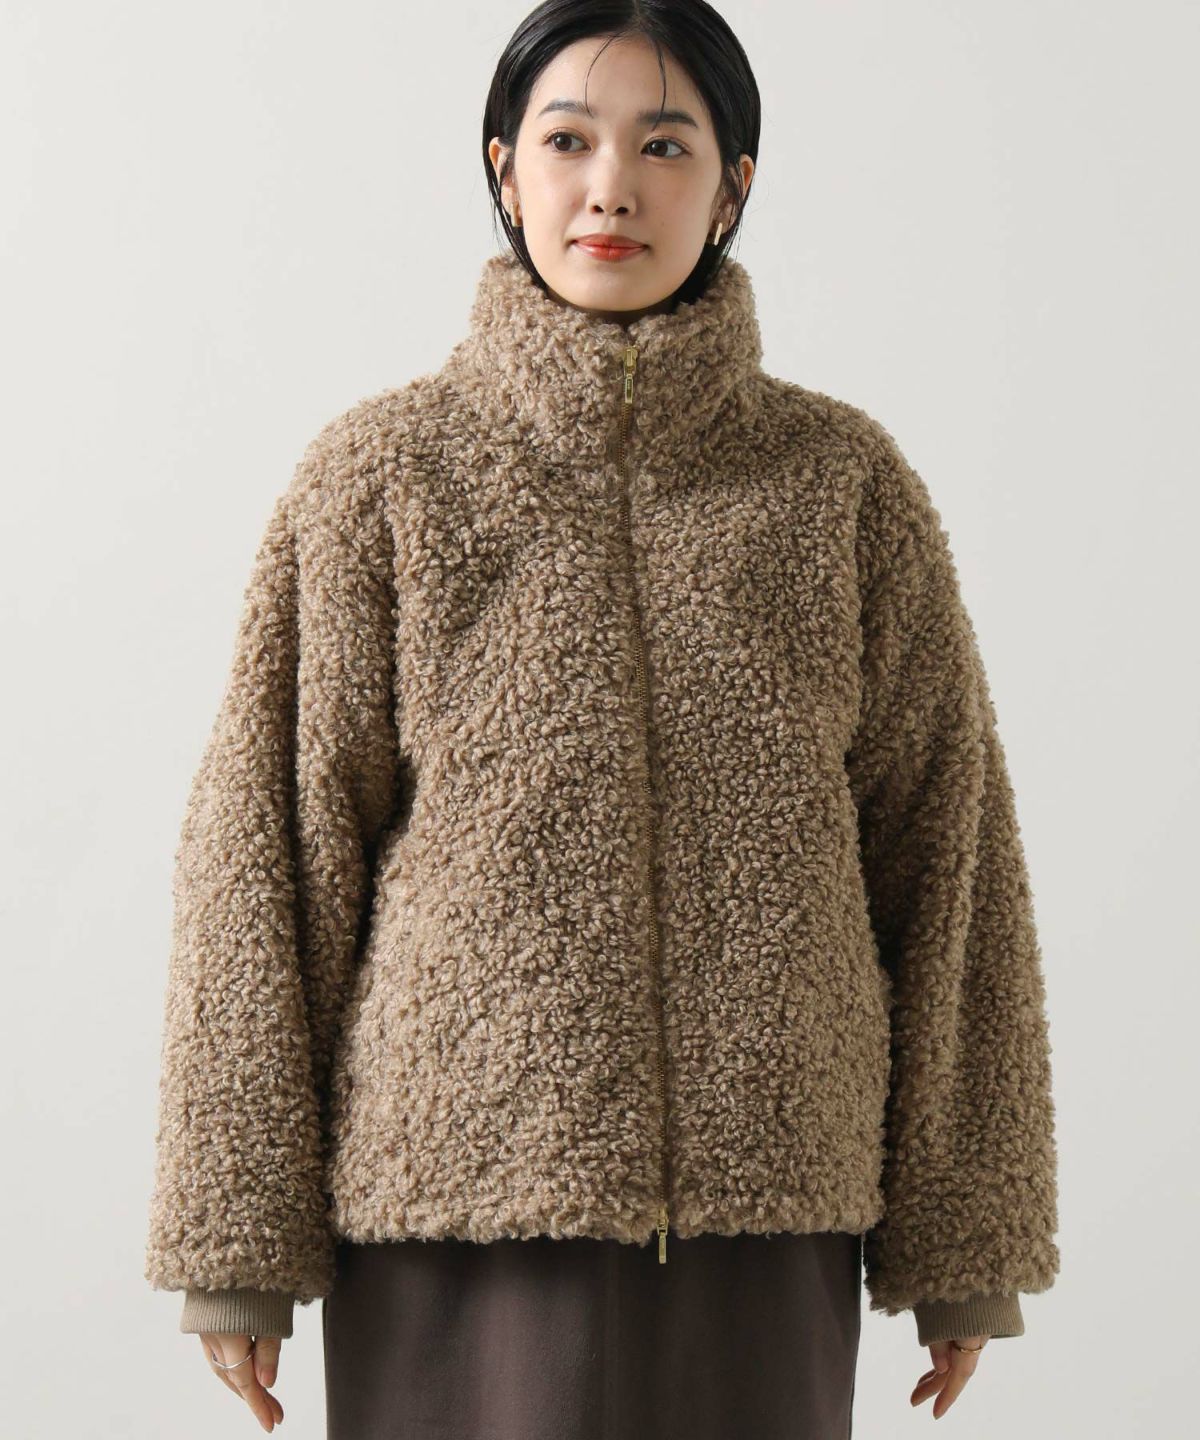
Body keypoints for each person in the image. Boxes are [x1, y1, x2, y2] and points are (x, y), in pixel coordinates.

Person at [144, 3, 1060, 1435]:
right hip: (454, 1220)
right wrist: (236, 1242)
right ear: (505, 171)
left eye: (665, 145)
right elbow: (268, 857)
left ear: (733, 184)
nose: (611, 187)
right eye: (568, 140)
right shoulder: (383, 477)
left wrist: (965, 1242)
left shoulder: (841, 485)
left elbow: (948, 861)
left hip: (768, 1217)